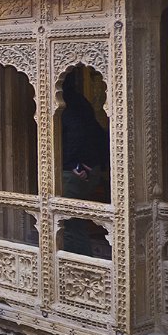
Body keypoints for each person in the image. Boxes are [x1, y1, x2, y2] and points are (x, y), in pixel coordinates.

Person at [59, 74, 111, 256]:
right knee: (70, 221)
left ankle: (79, 266)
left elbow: (77, 134)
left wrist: (75, 164)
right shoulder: (78, 101)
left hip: (75, 171)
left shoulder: (69, 104)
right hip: (85, 167)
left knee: (69, 223)